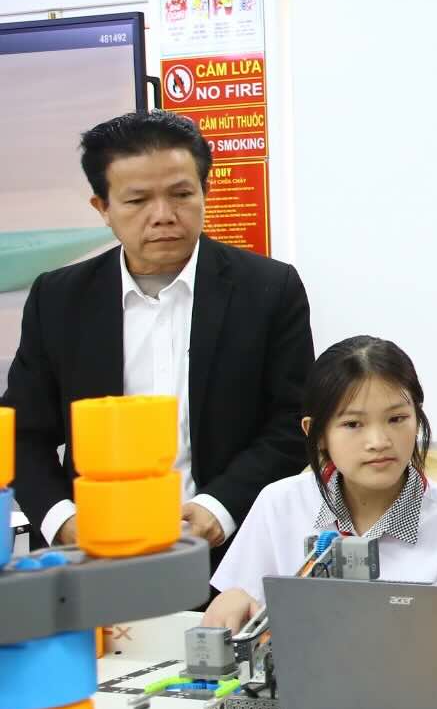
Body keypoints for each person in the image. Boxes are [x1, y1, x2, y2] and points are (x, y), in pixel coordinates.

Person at [2, 110, 312, 553]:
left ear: (206, 190)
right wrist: (64, 520)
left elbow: (292, 423)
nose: (163, 215)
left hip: (232, 548)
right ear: (103, 208)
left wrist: (219, 507)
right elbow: (23, 433)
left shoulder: (267, 290)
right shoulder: (59, 298)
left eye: (181, 194)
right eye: (137, 201)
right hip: (92, 552)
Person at [202, 336, 437, 631]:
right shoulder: (279, 504)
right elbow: (240, 602)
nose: (379, 442)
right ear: (316, 432)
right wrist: (233, 600)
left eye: (397, 418)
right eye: (353, 424)